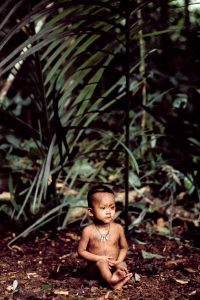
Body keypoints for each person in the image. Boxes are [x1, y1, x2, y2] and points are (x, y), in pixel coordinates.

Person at [78, 185, 132, 290]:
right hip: (95, 268)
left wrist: (118, 261)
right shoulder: (88, 231)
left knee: (122, 264)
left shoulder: (118, 228)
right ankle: (113, 282)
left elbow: (124, 247)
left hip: (113, 265)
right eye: (103, 208)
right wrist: (100, 258)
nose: (108, 212)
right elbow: (81, 252)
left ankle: (118, 275)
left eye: (112, 207)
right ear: (91, 211)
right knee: (102, 263)